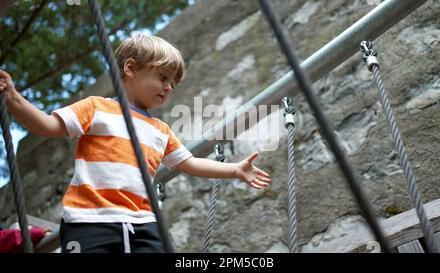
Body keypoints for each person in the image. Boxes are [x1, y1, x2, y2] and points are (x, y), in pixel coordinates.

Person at [0, 34, 272, 253]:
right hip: (91, 220)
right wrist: (13, 97)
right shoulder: (97, 108)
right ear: (130, 68)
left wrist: (234, 170)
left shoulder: (160, 130)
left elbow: (190, 163)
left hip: (144, 224)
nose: (168, 88)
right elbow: (47, 126)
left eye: (173, 84)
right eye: (163, 77)